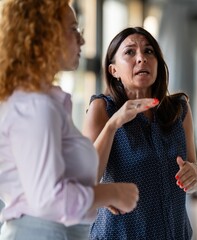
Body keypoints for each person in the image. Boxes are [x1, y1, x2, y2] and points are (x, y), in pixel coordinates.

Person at [0, 1, 140, 239]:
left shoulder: (37, 102)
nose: (82, 40)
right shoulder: (36, 106)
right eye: (73, 29)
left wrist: (92, 196)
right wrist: (110, 193)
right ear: (45, 34)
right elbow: (47, 200)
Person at [82, 26, 197, 239]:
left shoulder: (179, 109)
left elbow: (194, 174)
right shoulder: (101, 108)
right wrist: (114, 124)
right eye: (130, 52)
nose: (141, 58)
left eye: (149, 51)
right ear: (114, 70)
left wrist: (195, 174)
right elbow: (85, 178)